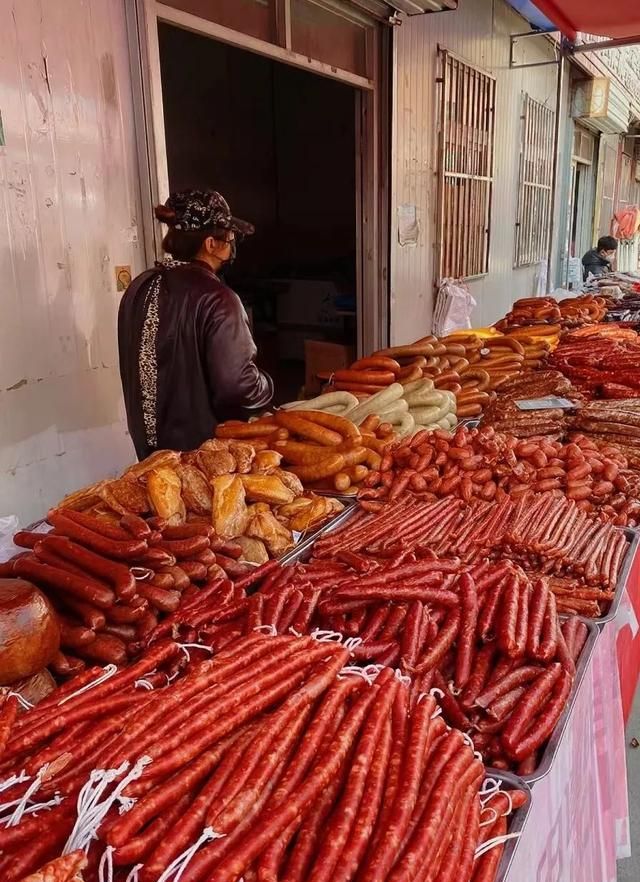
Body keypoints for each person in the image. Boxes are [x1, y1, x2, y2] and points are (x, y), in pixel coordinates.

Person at [118, 189, 273, 460]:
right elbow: (238, 388)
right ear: (211, 244)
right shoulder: (218, 298)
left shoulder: (139, 286)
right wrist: (268, 387)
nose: (233, 241)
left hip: (149, 455)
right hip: (202, 459)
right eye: (229, 235)